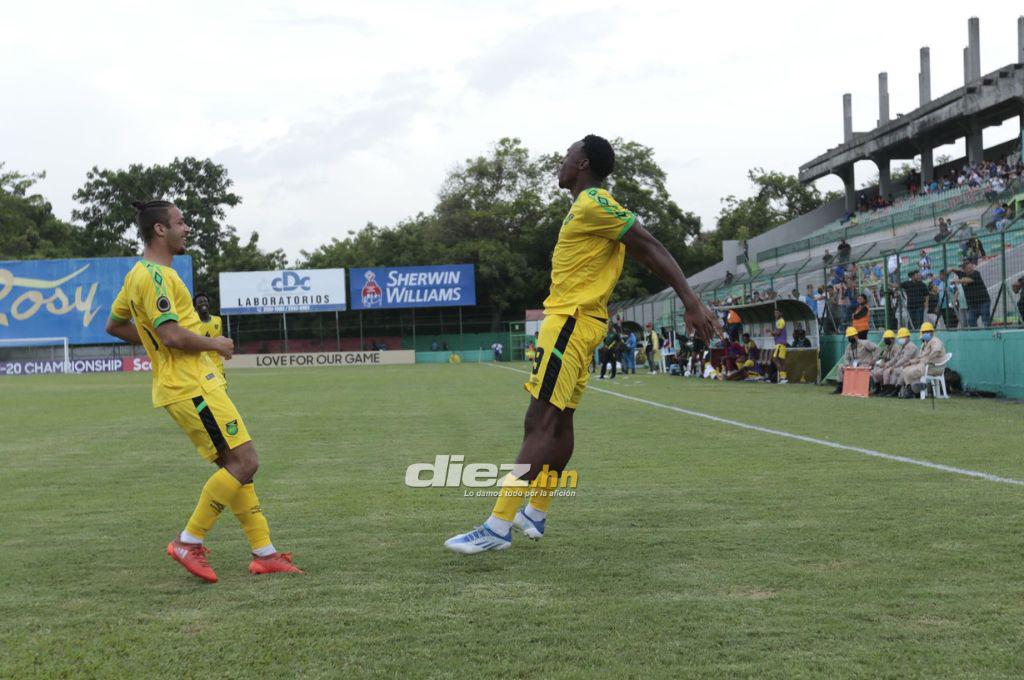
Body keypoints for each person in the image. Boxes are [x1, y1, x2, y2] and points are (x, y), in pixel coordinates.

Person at [444, 134, 721, 554]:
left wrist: (691, 300)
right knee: (561, 421)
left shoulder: (594, 202)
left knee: (538, 424)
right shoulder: (585, 207)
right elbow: (642, 248)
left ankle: (498, 525)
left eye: (568, 155)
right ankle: (535, 511)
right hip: (580, 324)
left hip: (570, 323)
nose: (562, 160)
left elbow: (649, 245)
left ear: (584, 164)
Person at [105, 200, 302, 582]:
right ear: (160, 230)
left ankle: (265, 553)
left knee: (235, 468)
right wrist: (217, 345)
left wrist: (156, 345)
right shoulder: (156, 277)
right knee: (245, 462)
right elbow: (171, 334)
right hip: (192, 386)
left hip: (189, 385)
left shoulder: (136, 277)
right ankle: (188, 540)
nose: (187, 228)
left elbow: (116, 325)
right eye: (180, 222)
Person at [899, 322, 947, 398]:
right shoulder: (925, 343)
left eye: (927, 332)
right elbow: (920, 357)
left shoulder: (936, 341)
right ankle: (911, 390)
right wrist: (910, 362)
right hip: (926, 365)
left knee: (914, 370)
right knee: (906, 370)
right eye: (924, 332)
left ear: (931, 332)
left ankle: (913, 391)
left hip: (934, 366)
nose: (925, 334)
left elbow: (936, 351)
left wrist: (927, 360)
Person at [831, 326, 880, 394]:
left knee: (863, 368)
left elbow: (877, 348)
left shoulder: (865, 343)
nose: (850, 338)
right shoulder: (849, 347)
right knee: (840, 367)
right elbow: (846, 358)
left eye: (851, 336)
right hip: (854, 366)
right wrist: (848, 366)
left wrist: (874, 360)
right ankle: (840, 387)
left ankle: (865, 388)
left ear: (856, 336)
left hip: (865, 365)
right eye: (849, 337)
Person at [193, 292, 226, 383]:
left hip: (217, 365)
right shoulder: (193, 324)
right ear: (195, 307)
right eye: (200, 302)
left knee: (222, 392)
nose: (203, 303)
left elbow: (220, 340)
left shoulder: (218, 320)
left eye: (205, 301)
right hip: (201, 367)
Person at [882, 327, 920, 397]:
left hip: (913, 366)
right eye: (900, 337)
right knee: (894, 371)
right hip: (905, 366)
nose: (900, 339)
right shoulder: (903, 346)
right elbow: (896, 358)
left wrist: (895, 366)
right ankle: (891, 389)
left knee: (900, 371)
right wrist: (888, 365)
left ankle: (896, 390)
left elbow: (905, 359)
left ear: (907, 337)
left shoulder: (911, 346)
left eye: (902, 337)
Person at [955, 260, 991, 328]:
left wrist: (957, 281)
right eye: (968, 268)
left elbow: (968, 280)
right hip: (972, 304)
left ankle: (987, 334)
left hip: (983, 302)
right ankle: (976, 334)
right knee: (971, 321)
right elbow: (956, 271)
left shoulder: (976, 273)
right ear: (964, 270)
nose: (971, 269)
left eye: (971, 267)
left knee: (985, 321)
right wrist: (951, 269)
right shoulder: (962, 274)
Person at [870, 330, 897, 395]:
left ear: (892, 339)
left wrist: (886, 365)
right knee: (874, 370)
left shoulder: (896, 348)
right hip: (886, 365)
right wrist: (880, 362)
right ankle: (878, 387)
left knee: (882, 372)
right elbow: (884, 358)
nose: (885, 340)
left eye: (887, 339)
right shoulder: (886, 348)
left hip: (893, 365)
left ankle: (886, 388)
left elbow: (896, 360)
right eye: (885, 339)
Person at [770, 309, 788, 384]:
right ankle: (783, 378)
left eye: (777, 313)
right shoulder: (778, 321)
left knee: (775, 359)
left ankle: (783, 377)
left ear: (781, 313)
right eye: (774, 313)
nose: (775, 315)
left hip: (780, 344)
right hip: (780, 343)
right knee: (781, 361)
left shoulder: (781, 321)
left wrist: (770, 332)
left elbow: (778, 333)